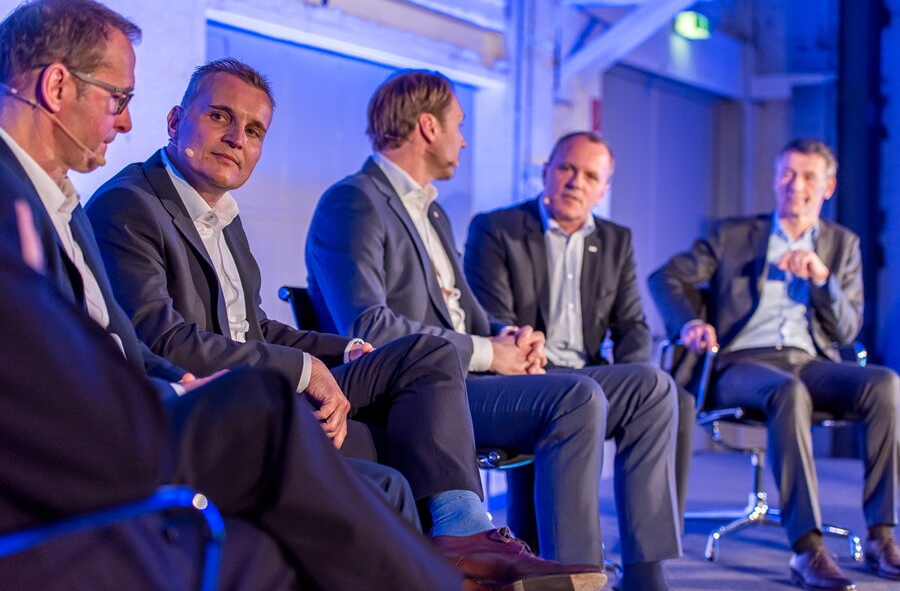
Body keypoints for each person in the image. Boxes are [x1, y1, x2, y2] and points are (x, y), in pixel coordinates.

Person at [84, 56, 605, 591]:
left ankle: (464, 534)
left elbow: (256, 329)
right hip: (221, 404)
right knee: (409, 447)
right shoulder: (131, 205)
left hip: (267, 386)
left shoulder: (223, 217)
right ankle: (464, 560)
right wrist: (305, 369)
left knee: (426, 354)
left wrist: (344, 349)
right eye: (220, 116)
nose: (237, 138)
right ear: (175, 121)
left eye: (254, 130)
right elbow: (163, 340)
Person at [0, 0, 464, 590]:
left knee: (411, 385)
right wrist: (190, 388)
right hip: (102, 440)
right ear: (57, 86)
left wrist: (323, 353)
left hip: (141, 409)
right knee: (269, 409)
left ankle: (464, 536)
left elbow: (153, 341)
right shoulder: (96, 202)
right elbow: (124, 348)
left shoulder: (67, 204)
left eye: (253, 131)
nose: (126, 122)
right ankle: (454, 565)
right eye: (118, 98)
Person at [306, 69, 679, 591]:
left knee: (651, 385)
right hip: (421, 395)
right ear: (429, 127)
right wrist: (488, 352)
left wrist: (513, 340)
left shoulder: (431, 212)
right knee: (577, 396)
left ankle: (644, 578)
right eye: (459, 124)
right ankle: (567, 574)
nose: (464, 139)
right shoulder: (353, 201)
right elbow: (368, 325)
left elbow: (472, 317)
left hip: (471, 380)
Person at [649, 138, 900, 590]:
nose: (795, 185)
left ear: (827, 187)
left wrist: (822, 279)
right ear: (774, 178)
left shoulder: (842, 244)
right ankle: (807, 549)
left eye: (808, 177)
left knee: (884, 382)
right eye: (787, 173)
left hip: (808, 359)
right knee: (789, 391)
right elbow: (665, 276)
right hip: (741, 362)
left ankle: (882, 536)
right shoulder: (734, 235)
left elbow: (846, 332)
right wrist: (690, 322)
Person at [463, 131, 693, 525]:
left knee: (671, 398)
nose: (575, 182)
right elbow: (490, 319)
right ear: (545, 172)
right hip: (527, 371)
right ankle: (546, 547)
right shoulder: (497, 229)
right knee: (570, 399)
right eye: (566, 169)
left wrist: (633, 374)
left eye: (590, 176)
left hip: (588, 372)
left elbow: (632, 325)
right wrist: (528, 357)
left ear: (603, 190)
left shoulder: (616, 240)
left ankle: (653, 557)